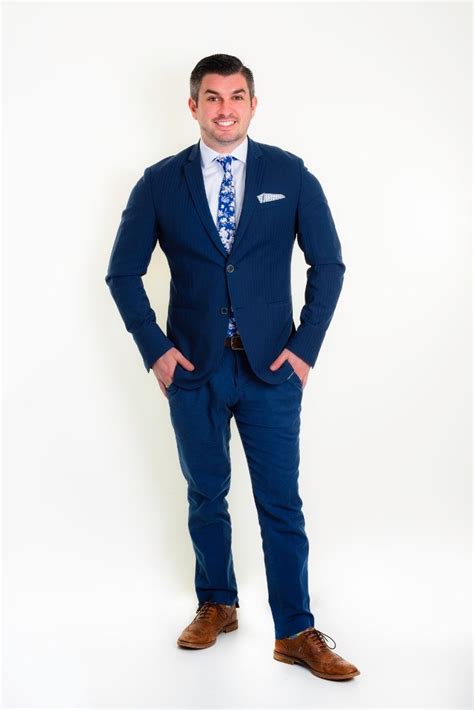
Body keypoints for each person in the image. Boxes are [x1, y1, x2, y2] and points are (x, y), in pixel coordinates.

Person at [105, 53, 360, 682]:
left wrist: (304, 351)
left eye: (236, 97)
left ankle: (295, 631)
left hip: (272, 370)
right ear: (194, 106)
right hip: (194, 369)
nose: (225, 109)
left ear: (252, 104)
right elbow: (122, 273)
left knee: (281, 503)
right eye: (213, 98)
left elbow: (328, 265)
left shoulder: (289, 174)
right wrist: (156, 351)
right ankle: (217, 603)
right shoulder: (159, 183)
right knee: (205, 493)